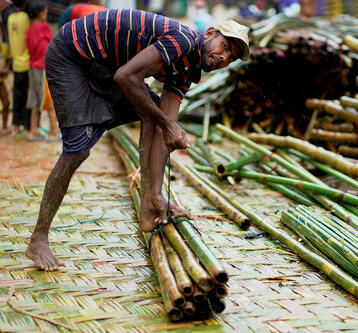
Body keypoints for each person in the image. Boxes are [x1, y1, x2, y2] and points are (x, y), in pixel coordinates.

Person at [26, 9, 250, 271]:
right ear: (210, 33)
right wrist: (168, 125)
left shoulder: (188, 71)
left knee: (156, 119)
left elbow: (165, 124)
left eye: (231, 57)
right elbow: (126, 77)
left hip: (105, 64)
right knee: (78, 150)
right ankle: (38, 238)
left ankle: (150, 202)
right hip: (72, 54)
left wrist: (160, 182)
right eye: (224, 46)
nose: (223, 57)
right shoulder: (183, 40)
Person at [25, 0, 58, 141]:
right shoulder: (44, 27)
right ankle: (54, 132)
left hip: (33, 68)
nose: (46, 15)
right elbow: (53, 44)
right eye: (45, 12)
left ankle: (33, 131)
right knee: (50, 102)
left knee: (34, 100)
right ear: (40, 14)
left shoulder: (29, 30)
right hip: (44, 68)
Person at [7, 0, 30, 137]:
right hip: (26, 62)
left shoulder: (10, 17)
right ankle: (27, 126)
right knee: (26, 96)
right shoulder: (26, 18)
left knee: (17, 95)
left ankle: (15, 126)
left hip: (16, 62)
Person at [0, 24, 10, 135]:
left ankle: (4, 127)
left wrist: (6, 68)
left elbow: (8, 60)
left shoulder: (5, 47)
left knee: (6, 103)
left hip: (1, 82)